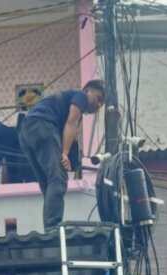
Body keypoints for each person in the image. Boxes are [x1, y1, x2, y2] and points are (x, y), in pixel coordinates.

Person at [18, 80, 105, 230]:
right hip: (43, 125)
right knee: (58, 179)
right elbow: (71, 123)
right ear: (88, 91)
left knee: (48, 184)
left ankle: (49, 228)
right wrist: (64, 153)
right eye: (98, 99)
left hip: (26, 132)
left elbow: (71, 132)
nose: (99, 105)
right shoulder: (81, 96)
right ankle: (53, 228)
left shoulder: (68, 100)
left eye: (101, 104)